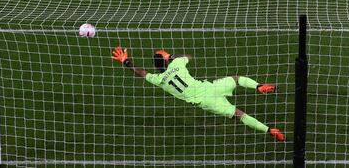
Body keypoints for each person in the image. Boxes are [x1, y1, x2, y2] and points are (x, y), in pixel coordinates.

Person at [111, 46, 285, 142]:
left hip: (205, 101)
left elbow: (141, 73)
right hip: (211, 88)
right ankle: (259, 87)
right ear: (166, 60)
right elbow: (188, 56)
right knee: (237, 79)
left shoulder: (159, 79)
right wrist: (171, 55)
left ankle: (269, 130)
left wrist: (126, 61)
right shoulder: (177, 64)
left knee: (239, 115)